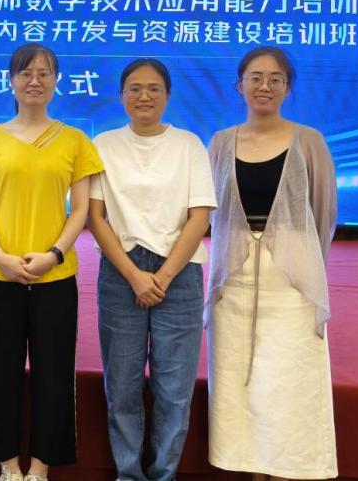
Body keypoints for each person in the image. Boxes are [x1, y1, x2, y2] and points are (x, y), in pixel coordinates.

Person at [0, 44, 104, 481]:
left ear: (57, 81)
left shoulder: (75, 141)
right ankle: (7, 464)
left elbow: (80, 209)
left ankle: (41, 466)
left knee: (54, 373)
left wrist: (54, 255)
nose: (35, 81)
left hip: (55, 276)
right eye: (25, 73)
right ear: (11, 81)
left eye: (44, 73)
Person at [206, 46, 338, 481]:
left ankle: (289, 468)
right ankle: (249, 468)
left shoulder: (309, 141)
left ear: (287, 88)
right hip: (232, 279)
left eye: (275, 79)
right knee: (236, 376)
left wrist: (303, 264)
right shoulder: (221, 142)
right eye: (256, 78)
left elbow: (323, 213)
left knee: (288, 377)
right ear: (239, 85)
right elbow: (211, 211)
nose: (265, 86)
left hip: (292, 281)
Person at [88, 58, 216, 481]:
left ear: (168, 95)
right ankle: (128, 473)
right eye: (135, 88)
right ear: (121, 95)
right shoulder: (103, 145)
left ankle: (164, 474)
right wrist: (134, 275)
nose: (144, 96)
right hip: (121, 272)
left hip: (179, 274)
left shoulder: (189, 145)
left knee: (174, 390)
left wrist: (161, 277)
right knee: (122, 386)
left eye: (154, 88)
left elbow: (200, 218)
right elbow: (96, 217)